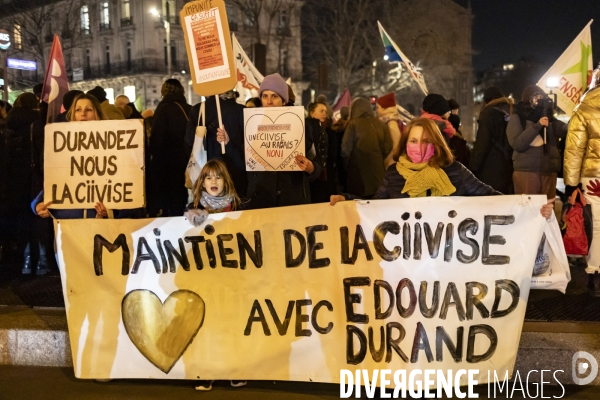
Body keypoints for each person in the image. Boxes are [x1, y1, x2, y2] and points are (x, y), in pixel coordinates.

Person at [330, 118, 555, 221]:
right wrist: (347, 200)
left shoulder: (455, 171)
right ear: (405, 144)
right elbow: (375, 207)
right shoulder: (394, 174)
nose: (418, 147)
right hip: (407, 263)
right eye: (413, 141)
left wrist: (533, 208)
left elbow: (493, 199)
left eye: (426, 141)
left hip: (447, 263)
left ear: (436, 144)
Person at [33, 93, 144, 220]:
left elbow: (131, 192)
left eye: (89, 109)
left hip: (101, 226)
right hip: (67, 228)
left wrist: (113, 212)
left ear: (98, 114)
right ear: (72, 114)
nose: (83, 114)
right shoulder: (61, 144)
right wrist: (37, 204)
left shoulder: (116, 147)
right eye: (78, 109)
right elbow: (53, 182)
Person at [243, 73, 321, 209]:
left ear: (284, 100)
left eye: (274, 96)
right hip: (261, 199)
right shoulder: (251, 124)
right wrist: (226, 141)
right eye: (265, 96)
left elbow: (316, 163)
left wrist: (311, 168)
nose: (269, 101)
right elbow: (242, 161)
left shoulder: (301, 125)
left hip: (292, 199)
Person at [564, 66, 600, 295]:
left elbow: (574, 149)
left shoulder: (585, 106)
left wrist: (571, 183)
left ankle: (595, 274)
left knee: (596, 225)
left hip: (593, 175)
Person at [0, 93, 44, 274]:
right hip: (32, 177)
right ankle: (35, 260)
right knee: (33, 220)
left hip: (9, 179)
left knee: (14, 218)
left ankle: (15, 255)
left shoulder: (7, 123)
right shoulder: (39, 123)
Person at [507, 85, 568, 200]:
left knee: (547, 212)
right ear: (527, 100)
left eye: (542, 97)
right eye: (536, 97)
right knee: (528, 211)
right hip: (526, 172)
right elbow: (517, 143)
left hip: (549, 170)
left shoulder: (550, 119)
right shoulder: (518, 118)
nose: (539, 100)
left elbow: (565, 130)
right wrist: (537, 125)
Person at [186, 90, 248, 197]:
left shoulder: (198, 110)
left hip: (206, 174)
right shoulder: (241, 110)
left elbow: (188, 142)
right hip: (236, 173)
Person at [147, 79, 192, 217]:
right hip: (185, 159)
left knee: (169, 195)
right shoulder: (189, 108)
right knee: (181, 190)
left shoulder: (163, 109)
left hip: (166, 162)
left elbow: (157, 138)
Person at [341, 97, 392, 198]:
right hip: (378, 174)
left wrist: (346, 168)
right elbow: (388, 147)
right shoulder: (381, 124)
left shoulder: (353, 124)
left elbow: (345, 150)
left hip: (358, 174)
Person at [470, 86, 514, 194]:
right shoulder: (511, 111)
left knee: (491, 203)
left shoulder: (488, 113)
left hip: (491, 167)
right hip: (507, 166)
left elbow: (482, 143)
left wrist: (473, 167)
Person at [307, 102, 338, 202]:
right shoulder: (311, 127)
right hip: (313, 173)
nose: (324, 113)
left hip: (320, 172)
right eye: (321, 111)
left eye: (325, 111)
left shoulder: (321, 127)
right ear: (312, 113)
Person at [376, 92, 404, 167]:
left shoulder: (391, 123)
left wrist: (386, 161)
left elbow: (396, 146)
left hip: (391, 164)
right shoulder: (391, 120)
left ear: (384, 108)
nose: (376, 110)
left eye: (378, 107)